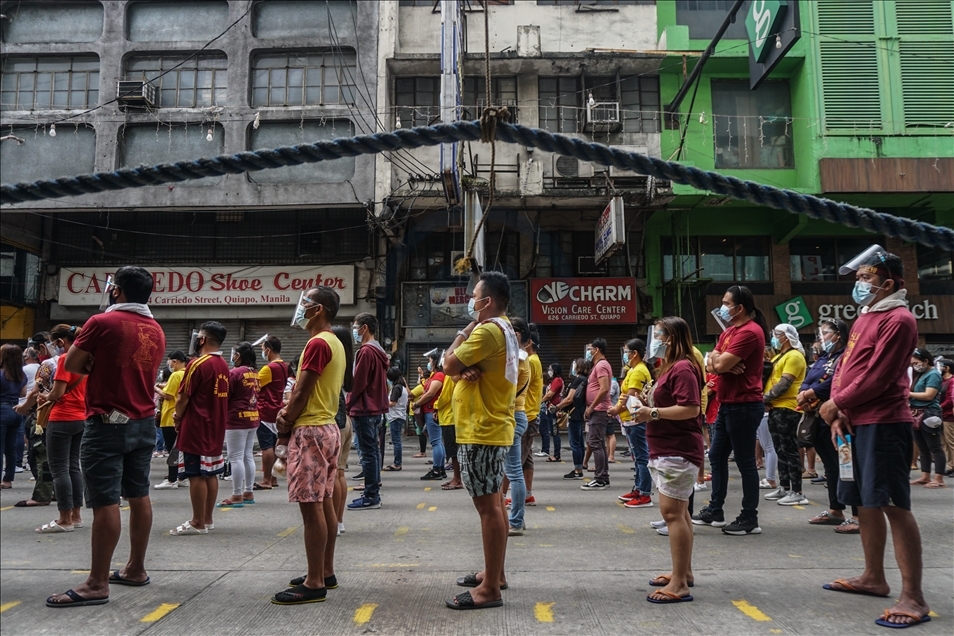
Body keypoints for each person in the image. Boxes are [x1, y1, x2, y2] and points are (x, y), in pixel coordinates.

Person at [819, 247, 930, 627]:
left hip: (883, 423)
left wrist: (837, 403)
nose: (859, 284)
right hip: (855, 422)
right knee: (864, 503)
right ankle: (873, 577)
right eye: (858, 277)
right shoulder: (867, 316)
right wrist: (840, 410)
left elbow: (879, 377)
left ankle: (913, 597)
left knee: (893, 505)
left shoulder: (899, 319)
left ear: (889, 283)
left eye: (865, 277)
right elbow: (845, 366)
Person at [48, 266, 166, 607]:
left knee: (105, 500)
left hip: (106, 422)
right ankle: (135, 568)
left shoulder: (101, 322)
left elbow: (72, 363)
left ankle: (97, 583)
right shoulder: (156, 329)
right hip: (144, 422)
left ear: (116, 290)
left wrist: (93, 362)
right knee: (139, 494)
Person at [443, 271, 518, 610]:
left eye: (474, 296)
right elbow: (457, 369)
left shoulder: (487, 330)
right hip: (491, 425)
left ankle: (489, 589)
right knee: (495, 503)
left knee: (488, 508)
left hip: (482, 428)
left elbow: (447, 363)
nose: (470, 301)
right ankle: (494, 574)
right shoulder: (505, 329)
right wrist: (462, 370)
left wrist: (463, 333)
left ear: (487, 301)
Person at [274, 287, 345, 604]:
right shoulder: (334, 342)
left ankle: (314, 582)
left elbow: (302, 391)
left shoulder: (318, 343)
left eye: (306, 303)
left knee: (311, 506)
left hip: (311, 430)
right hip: (327, 427)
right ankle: (324, 571)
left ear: (319, 310)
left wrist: (286, 420)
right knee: (324, 500)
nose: (301, 308)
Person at [632, 317, 704, 603]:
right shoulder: (671, 367)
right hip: (667, 448)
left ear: (672, 338)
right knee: (680, 512)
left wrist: (653, 413)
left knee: (672, 513)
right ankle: (683, 572)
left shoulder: (683, 368)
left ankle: (679, 584)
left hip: (677, 449)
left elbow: (690, 408)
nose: (655, 340)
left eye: (659, 335)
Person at [698, 285, 768, 535]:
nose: (723, 307)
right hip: (728, 403)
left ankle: (749, 517)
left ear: (740, 308)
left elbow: (717, 364)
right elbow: (711, 362)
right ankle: (715, 510)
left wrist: (719, 362)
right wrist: (717, 361)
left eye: (727, 304)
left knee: (745, 461)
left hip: (744, 405)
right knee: (717, 456)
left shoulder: (750, 332)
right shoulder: (730, 331)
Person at [797, 318, 857, 529]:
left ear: (838, 335)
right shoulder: (823, 357)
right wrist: (803, 393)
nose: (821, 337)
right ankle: (835, 509)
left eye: (825, 333)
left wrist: (811, 393)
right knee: (831, 466)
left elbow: (836, 382)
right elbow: (808, 378)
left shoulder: (846, 356)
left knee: (846, 465)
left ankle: (858, 515)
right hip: (817, 417)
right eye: (820, 333)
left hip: (838, 416)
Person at [171, 321, 230, 536]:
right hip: (215, 425)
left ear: (203, 339)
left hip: (196, 426)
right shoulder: (223, 364)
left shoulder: (198, 364)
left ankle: (197, 521)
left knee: (195, 474)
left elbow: (183, 397)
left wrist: (178, 417)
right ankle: (207, 518)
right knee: (211, 472)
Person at [36, 325, 88, 533]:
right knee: (74, 466)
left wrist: (45, 396)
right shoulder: (88, 360)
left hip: (62, 417)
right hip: (82, 417)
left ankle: (64, 519)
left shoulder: (66, 359)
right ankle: (76, 515)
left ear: (60, 342)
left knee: (59, 469)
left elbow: (57, 393)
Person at [346, 313, 389, 510]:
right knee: (373, 452)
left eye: (356, 327)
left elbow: (358, 383)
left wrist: (348, 403)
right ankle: (373, 490)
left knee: (367, 453)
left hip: (364, 408)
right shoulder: (379, 351)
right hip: (375, 409)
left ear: (364, 328)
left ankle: (371, 495)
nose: (354, 331)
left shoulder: (365, 352)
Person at [763, 324, 809, 506]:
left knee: (789, 450)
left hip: (788, 408)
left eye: (777, 334)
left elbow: (784, 383)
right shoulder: (778, 357)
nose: (774, 337)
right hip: (776, 408)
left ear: (786, 337)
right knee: (780, 449)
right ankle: (784, 486)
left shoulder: (794, 356)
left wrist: (764, 399)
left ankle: (797, 491)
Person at [14, 334, 58, 507]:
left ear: (42, 347)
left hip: (45, 416)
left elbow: (35, 392)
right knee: (66, 460)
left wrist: (23, 408)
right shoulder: (75, 362)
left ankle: (42, 494)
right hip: (73, 417)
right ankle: (60, 493)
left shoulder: (48, 365)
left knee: (41, 455)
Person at [612, 339, 653, 508]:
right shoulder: (634, 370)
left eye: (626, 352)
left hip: (635, 419)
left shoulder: (638, 371)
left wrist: (616, 409)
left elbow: (630, 398)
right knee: (637, 457)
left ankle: (644, 494)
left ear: (634, 353)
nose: (625, 355)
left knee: (642, 457)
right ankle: (638, 488)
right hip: (630, 420)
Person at [219, 342, 260, 507]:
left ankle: (237, 494)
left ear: (238, 356)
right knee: (247, 456)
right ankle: (248, 492)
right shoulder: (255, 373)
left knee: (235, 457)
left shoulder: (234, 373)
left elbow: (225, 395)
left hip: (236, 419)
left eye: (234, 353)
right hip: (252, 417)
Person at [502, 317, 532, 535]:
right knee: (512, 470)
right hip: (515, 415)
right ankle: (517, 518)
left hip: (513, 416)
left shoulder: (519, 358)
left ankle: (516, 520)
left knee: (514, 472)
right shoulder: (519, 357)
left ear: (518, 334)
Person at [256, 335, 290, 490]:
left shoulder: (268, 368)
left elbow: (255, 386)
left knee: (266, 446)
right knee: (275, 445)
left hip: (265, 410)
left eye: (263, 349)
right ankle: (273, 478)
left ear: (268, 350)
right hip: (277, 408)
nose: (263, 352)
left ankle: (266, 479)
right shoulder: (284, 366)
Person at [908, 348, 945, 489]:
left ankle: (939, 478)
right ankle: (925, 475)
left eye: (915, 363)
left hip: (929, 412)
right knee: (923, 447)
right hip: (916, 412)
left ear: (925, 361)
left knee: (935, 447)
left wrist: (908, 394)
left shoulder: (933, 374)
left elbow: (929, 395)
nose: (914, 366)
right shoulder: (920, 374)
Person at [581, 338, 613, 491]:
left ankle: (599, 478)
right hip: (597, 409)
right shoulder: (599, 365)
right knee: (599, 443)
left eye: (590, 349)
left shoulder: (601, 365)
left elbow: (604, 388)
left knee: (595, 443)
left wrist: (592, 407)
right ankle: (603, 477)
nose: (589, 352)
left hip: (599, 410)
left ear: (597, 350)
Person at [154, 351, 187, 490]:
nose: (169, 364)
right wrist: (161, 386)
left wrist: (155, 388)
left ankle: (172, 479)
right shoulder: (186, 373)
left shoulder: (175, 375)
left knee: (172, 450)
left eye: (169, 361)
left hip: (170, 417)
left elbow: (168, 395)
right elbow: (172, 388)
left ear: (175, 361)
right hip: (182, 415)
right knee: (180, 450)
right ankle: (181, 477)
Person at [519, 325, 543, 505]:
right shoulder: (534, 360)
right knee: (526, 458)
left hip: (526, 414)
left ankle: (502, 496)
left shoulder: (531, 361)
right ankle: (527, 494)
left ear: (529, 343)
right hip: (530, 414)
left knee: (514, 460)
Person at [413, 352, 446, 481]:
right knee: (437, 441)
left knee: (436, 441)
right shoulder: (434, 376)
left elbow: (430, 393)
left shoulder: (439, 376)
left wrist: (417, 404)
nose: (429, 363)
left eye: (430, 360)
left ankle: (437, 469)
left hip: (432, 411)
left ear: (435, 362)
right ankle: (440, 468)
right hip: (430, 411)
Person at [557, 358, 588, 480]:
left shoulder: (578, 380)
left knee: (575, 443)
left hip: (574, 413)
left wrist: (558, 406)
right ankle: (579, 468)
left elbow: (569, 398)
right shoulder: (585, 379)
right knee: (579, 442)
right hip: (580, 412)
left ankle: (577, 470)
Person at [1, 344, 27, 490]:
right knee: (11, 448)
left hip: (2, 409)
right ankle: (8, 480)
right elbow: (23, 393)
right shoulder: (20, 375)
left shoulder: (1, 374)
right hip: (16, 409)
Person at [436, 367, 462, 490]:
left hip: (449, 417)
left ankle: (457, 479)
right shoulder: (455, 375)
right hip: (452, 417)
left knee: (453, 452)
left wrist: (435, 405)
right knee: (454, 451)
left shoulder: (450, 376)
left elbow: (444, 397)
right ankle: (456, 478)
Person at [384, 368, 409, 472]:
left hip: (395, 417)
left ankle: (397, 463)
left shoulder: (397, 388)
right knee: (397, 440)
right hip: (399, 416)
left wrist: (382, 403)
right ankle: (397, 462)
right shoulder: (402, 387)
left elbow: (392, 403)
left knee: (396, 441)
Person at [541, 363, 564, 462]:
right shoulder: (555, 380)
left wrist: (540, 401)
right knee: (554, 432)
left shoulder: (557, 380)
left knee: (555, 432)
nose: (549, 371)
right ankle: (556, 454)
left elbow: (550, 394)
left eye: (551, 369)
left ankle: (557, 455)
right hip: (551, 409)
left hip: (554, 409)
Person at [938, 359, 954, 478]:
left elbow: (950, 399)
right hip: (942, 415)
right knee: (945, 443)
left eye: (941, 366)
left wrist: (940, 406)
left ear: (947, 368)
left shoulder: (952, 381)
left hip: (949, 415)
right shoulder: (942, 381)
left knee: (951, 442)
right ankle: (950, 465)